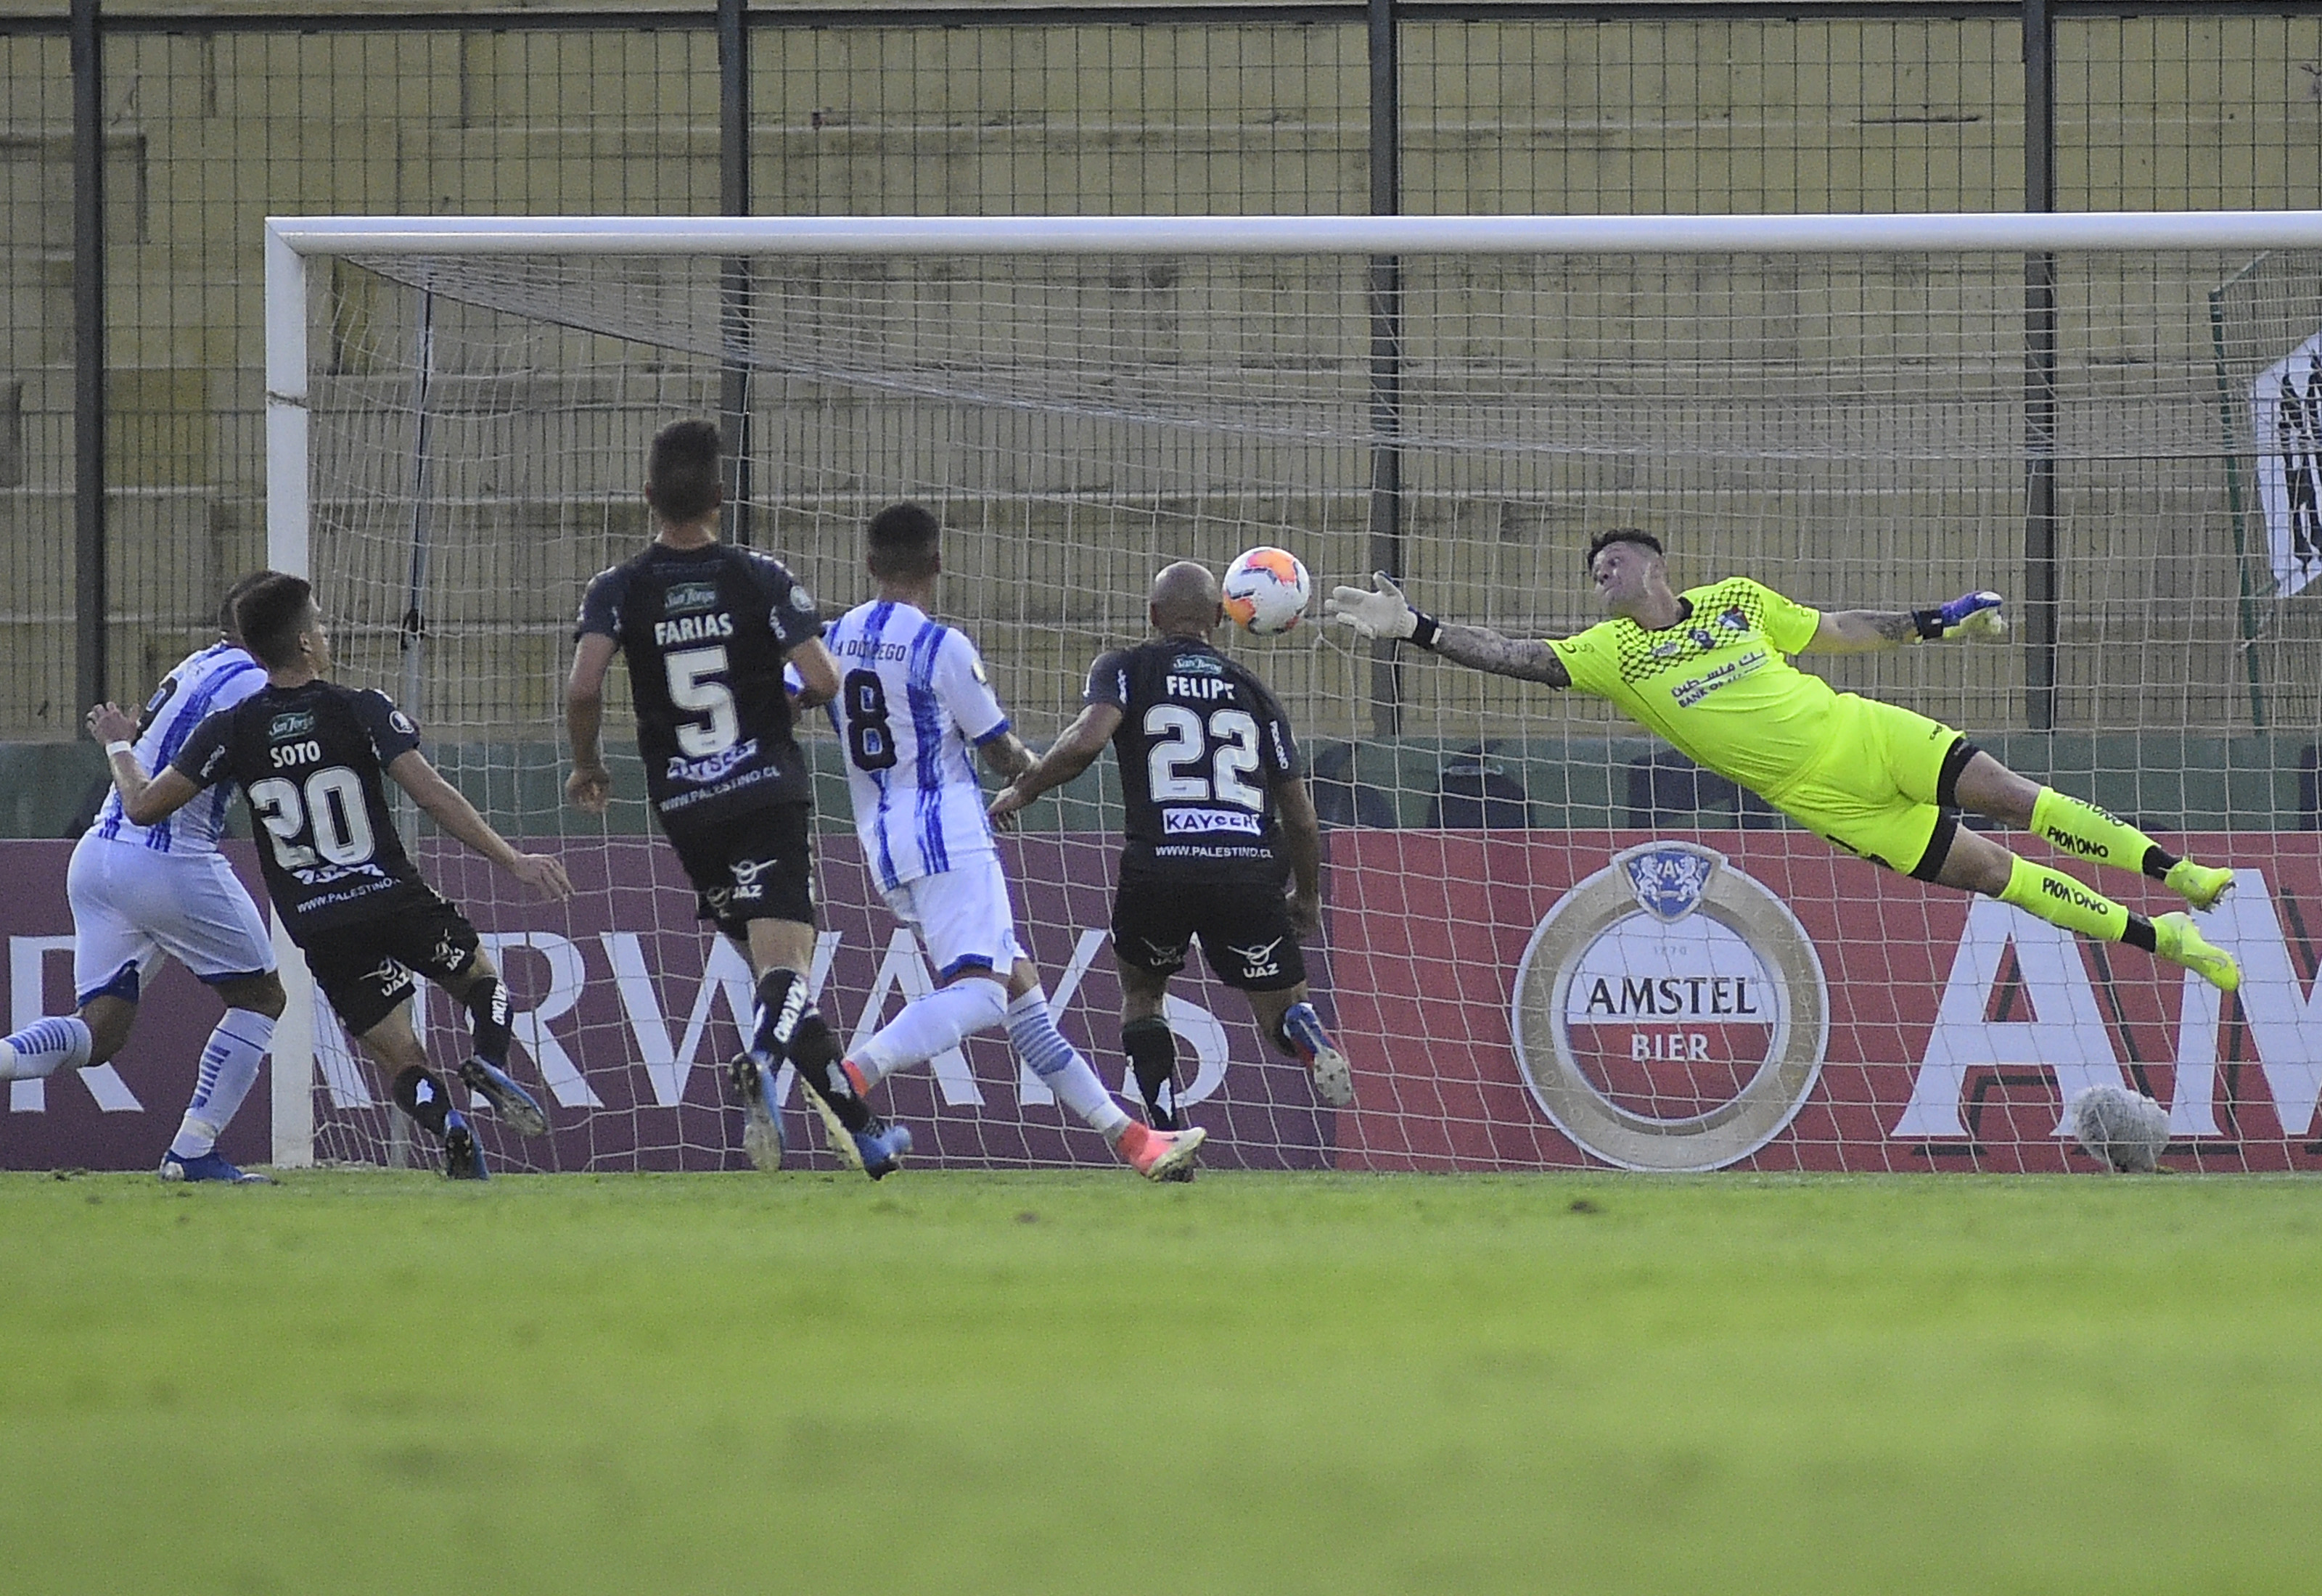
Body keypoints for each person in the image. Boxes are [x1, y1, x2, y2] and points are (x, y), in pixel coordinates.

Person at [1325, 529, 2243, 992]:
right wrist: (1418, 628)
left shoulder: (1733, 600)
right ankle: (2170, 942)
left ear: (1653, 562)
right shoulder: (1610, 652)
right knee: (1997, 874)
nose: (1598, 575)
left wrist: (1933, 618)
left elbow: (1839, 629)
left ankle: (2183, 874)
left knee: (2007, 794)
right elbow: (1517, 655)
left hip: (1862, 732)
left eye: (1609, 560)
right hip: (1824, 802)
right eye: (1593, 571)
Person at [110, 573, 569, 1180]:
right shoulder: (359, 707)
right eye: (320, 625)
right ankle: (488, 1059)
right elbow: (432, 796)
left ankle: (449, 1126)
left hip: (320, 922)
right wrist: (512, 859)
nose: (325, 635)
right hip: (391, 895)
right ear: (304, 644)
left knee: (399, 1057)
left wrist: (120, 746)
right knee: (484, 982)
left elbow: (143, 807)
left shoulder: (231, 728)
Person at [565, 419, 910, 1178]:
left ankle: (865, 1132)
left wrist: (587, 762)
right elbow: (824, 679)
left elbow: (584, 684)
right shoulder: (757, 575)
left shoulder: (617, 589)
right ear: (722, 496)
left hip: (686, 806)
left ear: (648, 495)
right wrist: (783, 706)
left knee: (771, 974)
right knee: (787, 970)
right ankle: (760, 1061)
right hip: (763, 792)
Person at [820, 503, 1207, 1180]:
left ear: (870, 564)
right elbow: (998, 750)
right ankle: (845, 1077)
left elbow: (798, 693)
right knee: (984, 995)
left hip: (882, 839)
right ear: (938, 565)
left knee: (1022, 994)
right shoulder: (941, 647)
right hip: (949, 835)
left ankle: (1135, 1142)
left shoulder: (832, 638)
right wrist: (1036, 773)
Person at [988, 560, 1356, 1145]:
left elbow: (1086, 741)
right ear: (1220, 616)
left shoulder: (1126, 668)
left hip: (1159, 864)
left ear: (1154, 616)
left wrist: (1026, 786)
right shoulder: (1254, 693)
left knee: (1143, 993)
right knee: (1280, 1007)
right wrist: (1306, 896)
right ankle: (1306, 1032)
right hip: (1244, 867)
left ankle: (1163, 1127)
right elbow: (1301, 817)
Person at [0, 573, 286, 1184]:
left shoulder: (195, 664)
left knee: (98, 1032)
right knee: (262, 997)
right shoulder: (258, 686)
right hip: (168, 856)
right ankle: (192, 1151)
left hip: (98, 856)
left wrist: (117, 750)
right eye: (307, 621)